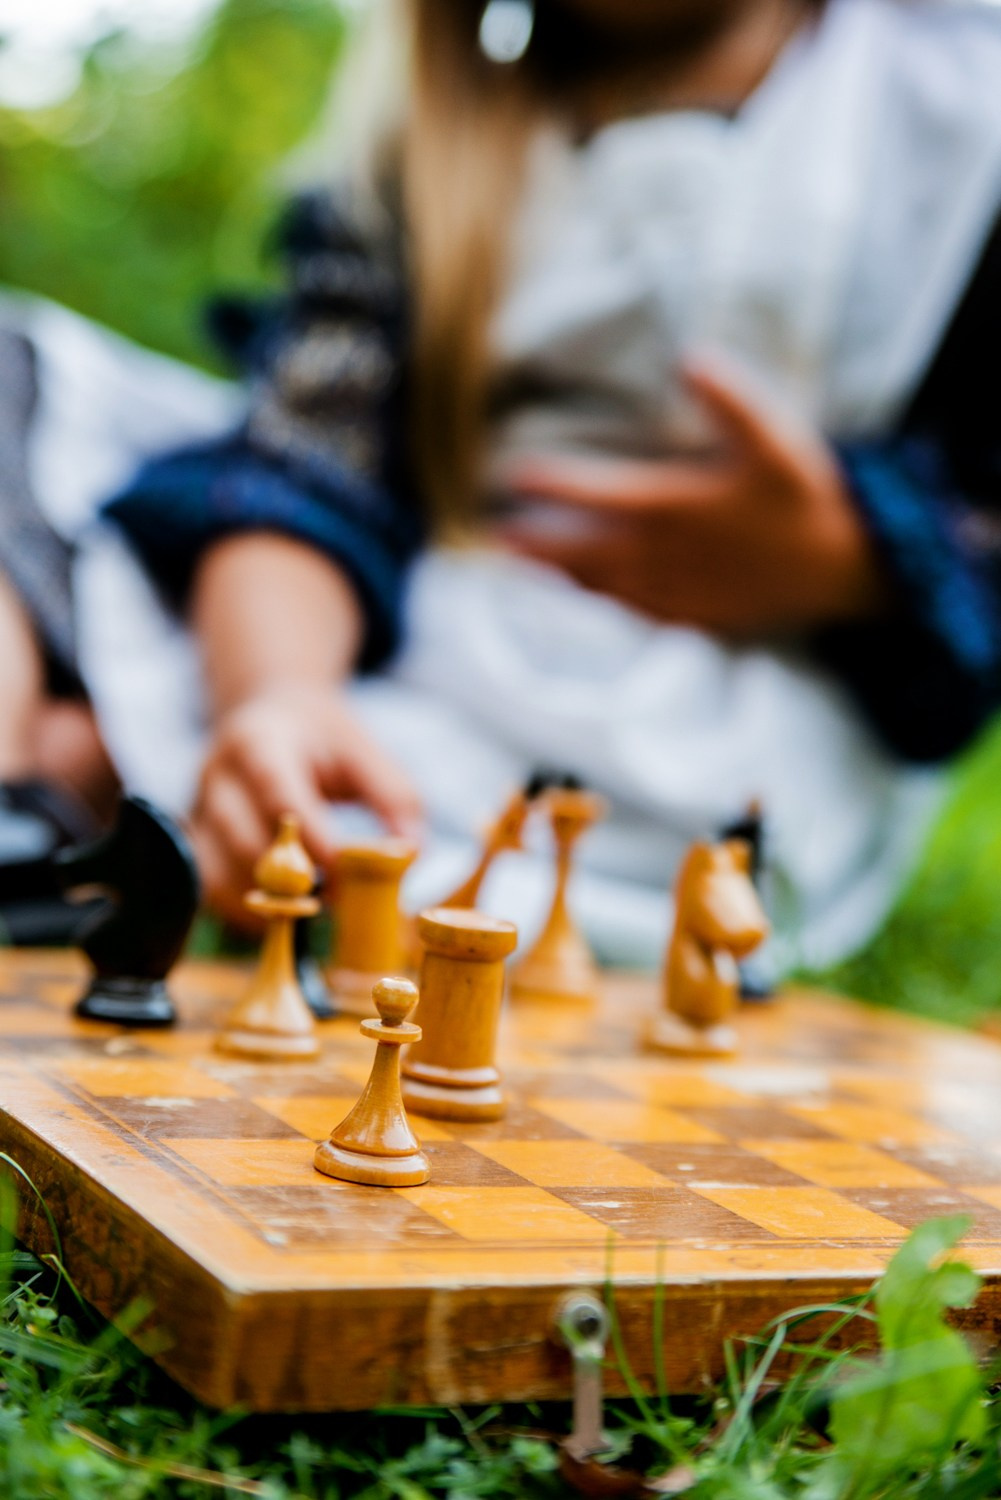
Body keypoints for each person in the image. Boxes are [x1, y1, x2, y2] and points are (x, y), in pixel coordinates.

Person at [3, 0, 1001, 969]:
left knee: (146, 769)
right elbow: (302, 469)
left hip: (692, 736)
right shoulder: (428, 132)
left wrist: (860, 561)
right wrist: (276, 694)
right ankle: (60, 793)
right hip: (386, 624)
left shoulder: (958, 94)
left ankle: (80, 795)